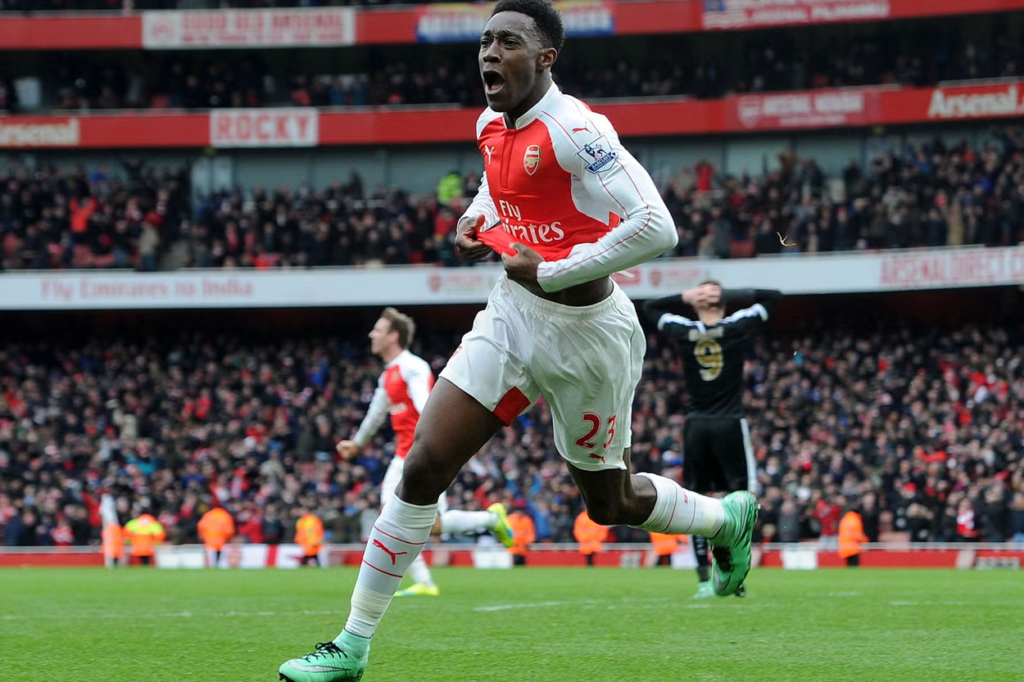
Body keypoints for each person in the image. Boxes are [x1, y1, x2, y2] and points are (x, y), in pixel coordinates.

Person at [279, 2, 757, 679]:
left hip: (592, 338)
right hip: (511, 319)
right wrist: (476, 218)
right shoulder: (488, 124)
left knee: (608, 503)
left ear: (546, 58)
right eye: (485, 41)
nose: (489, 53)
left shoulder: (577, 128)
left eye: (508, 42)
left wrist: (553, 268)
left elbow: (657, 227)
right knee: (422, 469)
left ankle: (724, 519)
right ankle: (351, 646)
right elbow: (496, 189)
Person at [335, 307, 514, 596]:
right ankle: (425, 582)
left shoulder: (412, 367)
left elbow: (426, 404)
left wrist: (438, 442)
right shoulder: (388, 376)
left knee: (427, 524)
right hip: (403, 456)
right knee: (401, 518)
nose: (372, 334)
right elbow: (375, 413)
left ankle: (490, 521)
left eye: (378, 329)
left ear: (393, 336)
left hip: (423, 454)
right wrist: (356, 443)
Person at [644, 281, 781, 598]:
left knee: (696, 500)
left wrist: (684, 295)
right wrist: (728, 295)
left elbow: (652, 307)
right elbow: (773, 297)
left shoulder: (683, 327)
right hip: (730, 424)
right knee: (742, 501)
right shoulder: (736, 325)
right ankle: (734, 576)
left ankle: (705, 579)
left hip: (697, 426)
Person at [837, 504, 869, 568]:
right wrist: (866, 541)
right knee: (854, 566)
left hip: (844, 547)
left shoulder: (845, 519)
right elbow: (858, 534)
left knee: (849, 566)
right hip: (853, 547)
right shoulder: (855, 519)